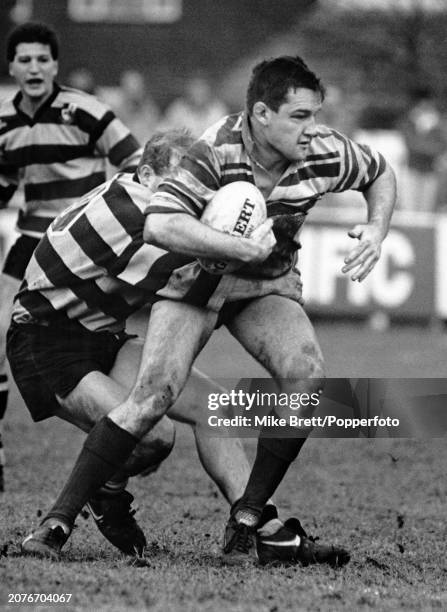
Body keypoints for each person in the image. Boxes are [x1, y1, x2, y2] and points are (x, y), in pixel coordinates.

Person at [15, 55, 395, 566]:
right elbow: (166, 238)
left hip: (129, 322)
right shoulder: (198, 163)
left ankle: (258, 523)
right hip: (57, 333)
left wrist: (376, 227)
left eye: (314, 115)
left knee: (269, 390)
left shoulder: (325, 151)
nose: (312, 129)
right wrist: (259, 262)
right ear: (261, 115)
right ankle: (59, 521)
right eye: (299, 116)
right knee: (153, 424)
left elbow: (380, 172)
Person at [0, 21, 142, 491]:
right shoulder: (4, 123)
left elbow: (137, 163)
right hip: (30, 244)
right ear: (12, 67)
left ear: (55, 65)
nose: (35, 67)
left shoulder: (85, 111)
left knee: (90, 337)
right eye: (25, 59)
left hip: (80, 248)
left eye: (43, 59)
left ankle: (106, 435)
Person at [162, 74, 228, 138]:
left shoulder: (218, 110)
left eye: (201, 88)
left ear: (209, 90)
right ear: (188, 90)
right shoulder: (177, 110)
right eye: (195, 88)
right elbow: (163, 133)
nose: (198, 92)